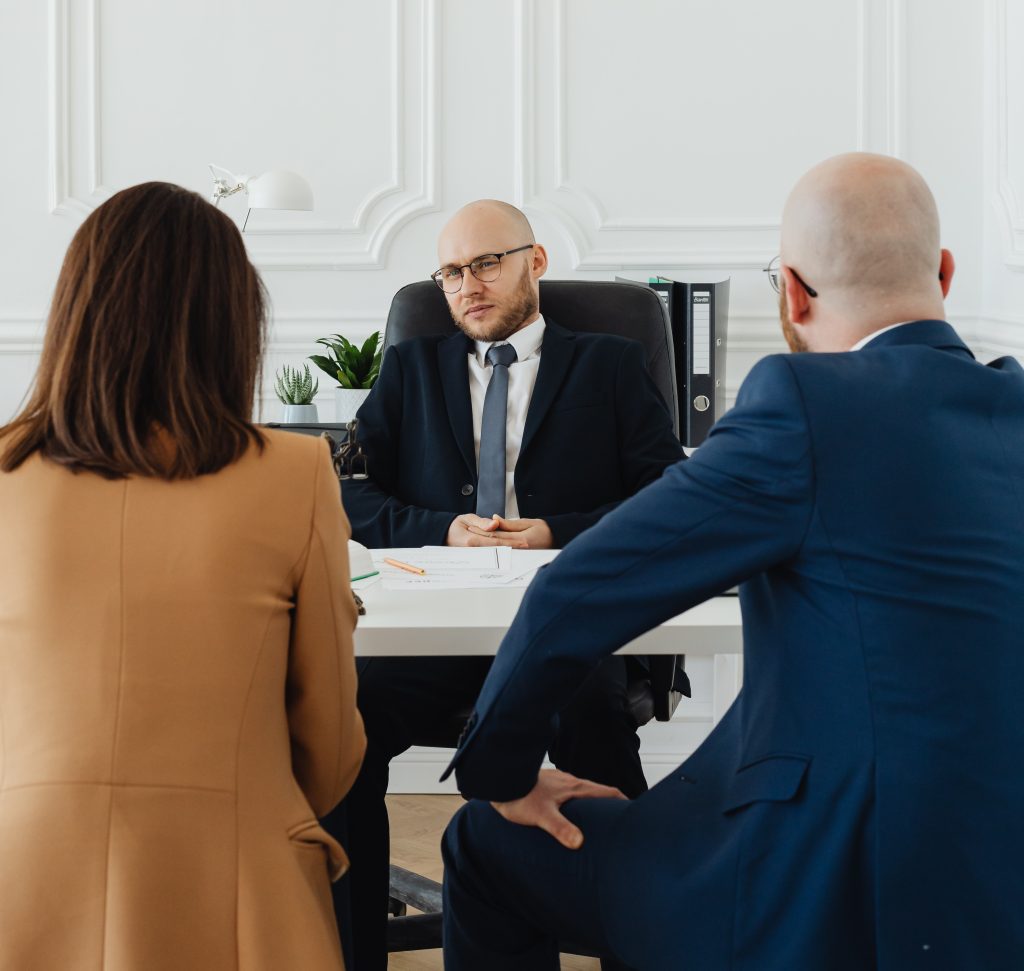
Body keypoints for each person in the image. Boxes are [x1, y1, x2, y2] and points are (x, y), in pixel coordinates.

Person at [439, 154, 1024, 970]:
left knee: (484, 839)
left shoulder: (805, 403)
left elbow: (575, 591)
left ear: (789, 291)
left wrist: (500, 773)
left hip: (827, 874)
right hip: (997, 877)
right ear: (947, 274)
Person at [0, 182, 366, 971]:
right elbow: (330, 747)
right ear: (231, 323)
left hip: (20, 881)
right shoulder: (297, 472)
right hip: (238, 889)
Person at [328, 199, 685, 968]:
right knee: (343, 720)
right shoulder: (412, 369)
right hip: (437, 631)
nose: (468, 285)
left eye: (487, 262)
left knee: (593, 722)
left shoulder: (608, 364)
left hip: (564, 633)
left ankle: (641, 934)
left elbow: (669, 494)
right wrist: (440, 528)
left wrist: (556, 528)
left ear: (536, 261)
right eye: (452, 272)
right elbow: (345, 488)